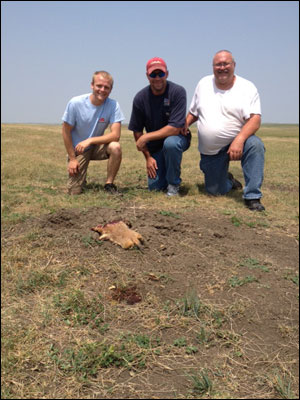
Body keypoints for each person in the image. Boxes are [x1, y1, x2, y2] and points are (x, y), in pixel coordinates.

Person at [185, 50, 266, 211]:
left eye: (226, 63)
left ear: (234, 65)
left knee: (255, 145)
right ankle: (228, 180)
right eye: (218, 64)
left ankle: (252, 197)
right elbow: (194, 112)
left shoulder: (247, 87)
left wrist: (239, 140)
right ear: (213, 67)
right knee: (215, 191)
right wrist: (184, 125)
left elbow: (255, 119)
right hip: (212, 150)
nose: (222, 68)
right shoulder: (203, 84)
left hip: (240, 142)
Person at [128, 57, 191, 196]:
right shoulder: (140, 98)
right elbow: (137, 131)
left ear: (167, 74)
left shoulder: (178, 91)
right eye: (153, 74)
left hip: (177, 138)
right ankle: (163, 174)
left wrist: (147, 136)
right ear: (147, 76)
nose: (157, 78)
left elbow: (174, 129)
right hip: (156, 146)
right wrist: (148, 158)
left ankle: (173, 185)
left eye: (161, 74)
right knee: (155, 187)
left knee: (171, 144)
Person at [62, 71, 125, 195]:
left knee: (115, 147)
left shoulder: (113, 105)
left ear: (111, 89)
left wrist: (90, 140)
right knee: (74, 192)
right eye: (99, 86)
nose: (102, 90)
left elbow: (115, 135)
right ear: (92, 85)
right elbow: (65, 131)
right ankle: (80, 176)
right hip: (78, 149)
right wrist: (73, 159)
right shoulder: (75, 103)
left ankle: (109, 184)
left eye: (106, 87)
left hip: (96, 146)